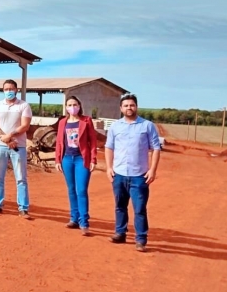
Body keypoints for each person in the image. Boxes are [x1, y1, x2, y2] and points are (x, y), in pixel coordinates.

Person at [105, 93, 161, 253]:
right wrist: (109, 168)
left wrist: (152, 170)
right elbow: (109, 147)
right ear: (121, 108)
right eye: (126, 105)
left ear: (136, 106)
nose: (129, 108)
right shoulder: (115, 126)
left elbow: (156, 148)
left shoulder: (147, 126)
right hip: (119, 174)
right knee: (120, 206)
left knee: (139, 209)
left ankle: (141, 239)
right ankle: (120, 233)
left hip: (139, 176)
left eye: (132, 105)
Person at [0, 79, 33, 218]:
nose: (9, 91)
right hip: (0, 146)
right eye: (6, 89)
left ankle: (23, 208)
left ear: (16, 90)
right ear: (3, 90)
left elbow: (25, 126)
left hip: (18, 146)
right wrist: (5, 139)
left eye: (11, 89)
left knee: (21, 178)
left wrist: (11, 135)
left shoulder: (24, 105)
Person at [54, 96, 98, 235]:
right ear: (66, 107)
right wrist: (57, 160)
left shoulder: (86, 121)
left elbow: (93, 141)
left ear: (79, 106)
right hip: (67, 159)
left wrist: (93, 160)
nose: (72, 107)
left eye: (75, 104)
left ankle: (84, 222)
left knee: (81, 190)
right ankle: (74, 218)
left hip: (81, 159)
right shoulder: (62, 122)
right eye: (69, 104)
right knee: (71, 189)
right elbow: (59, 142)